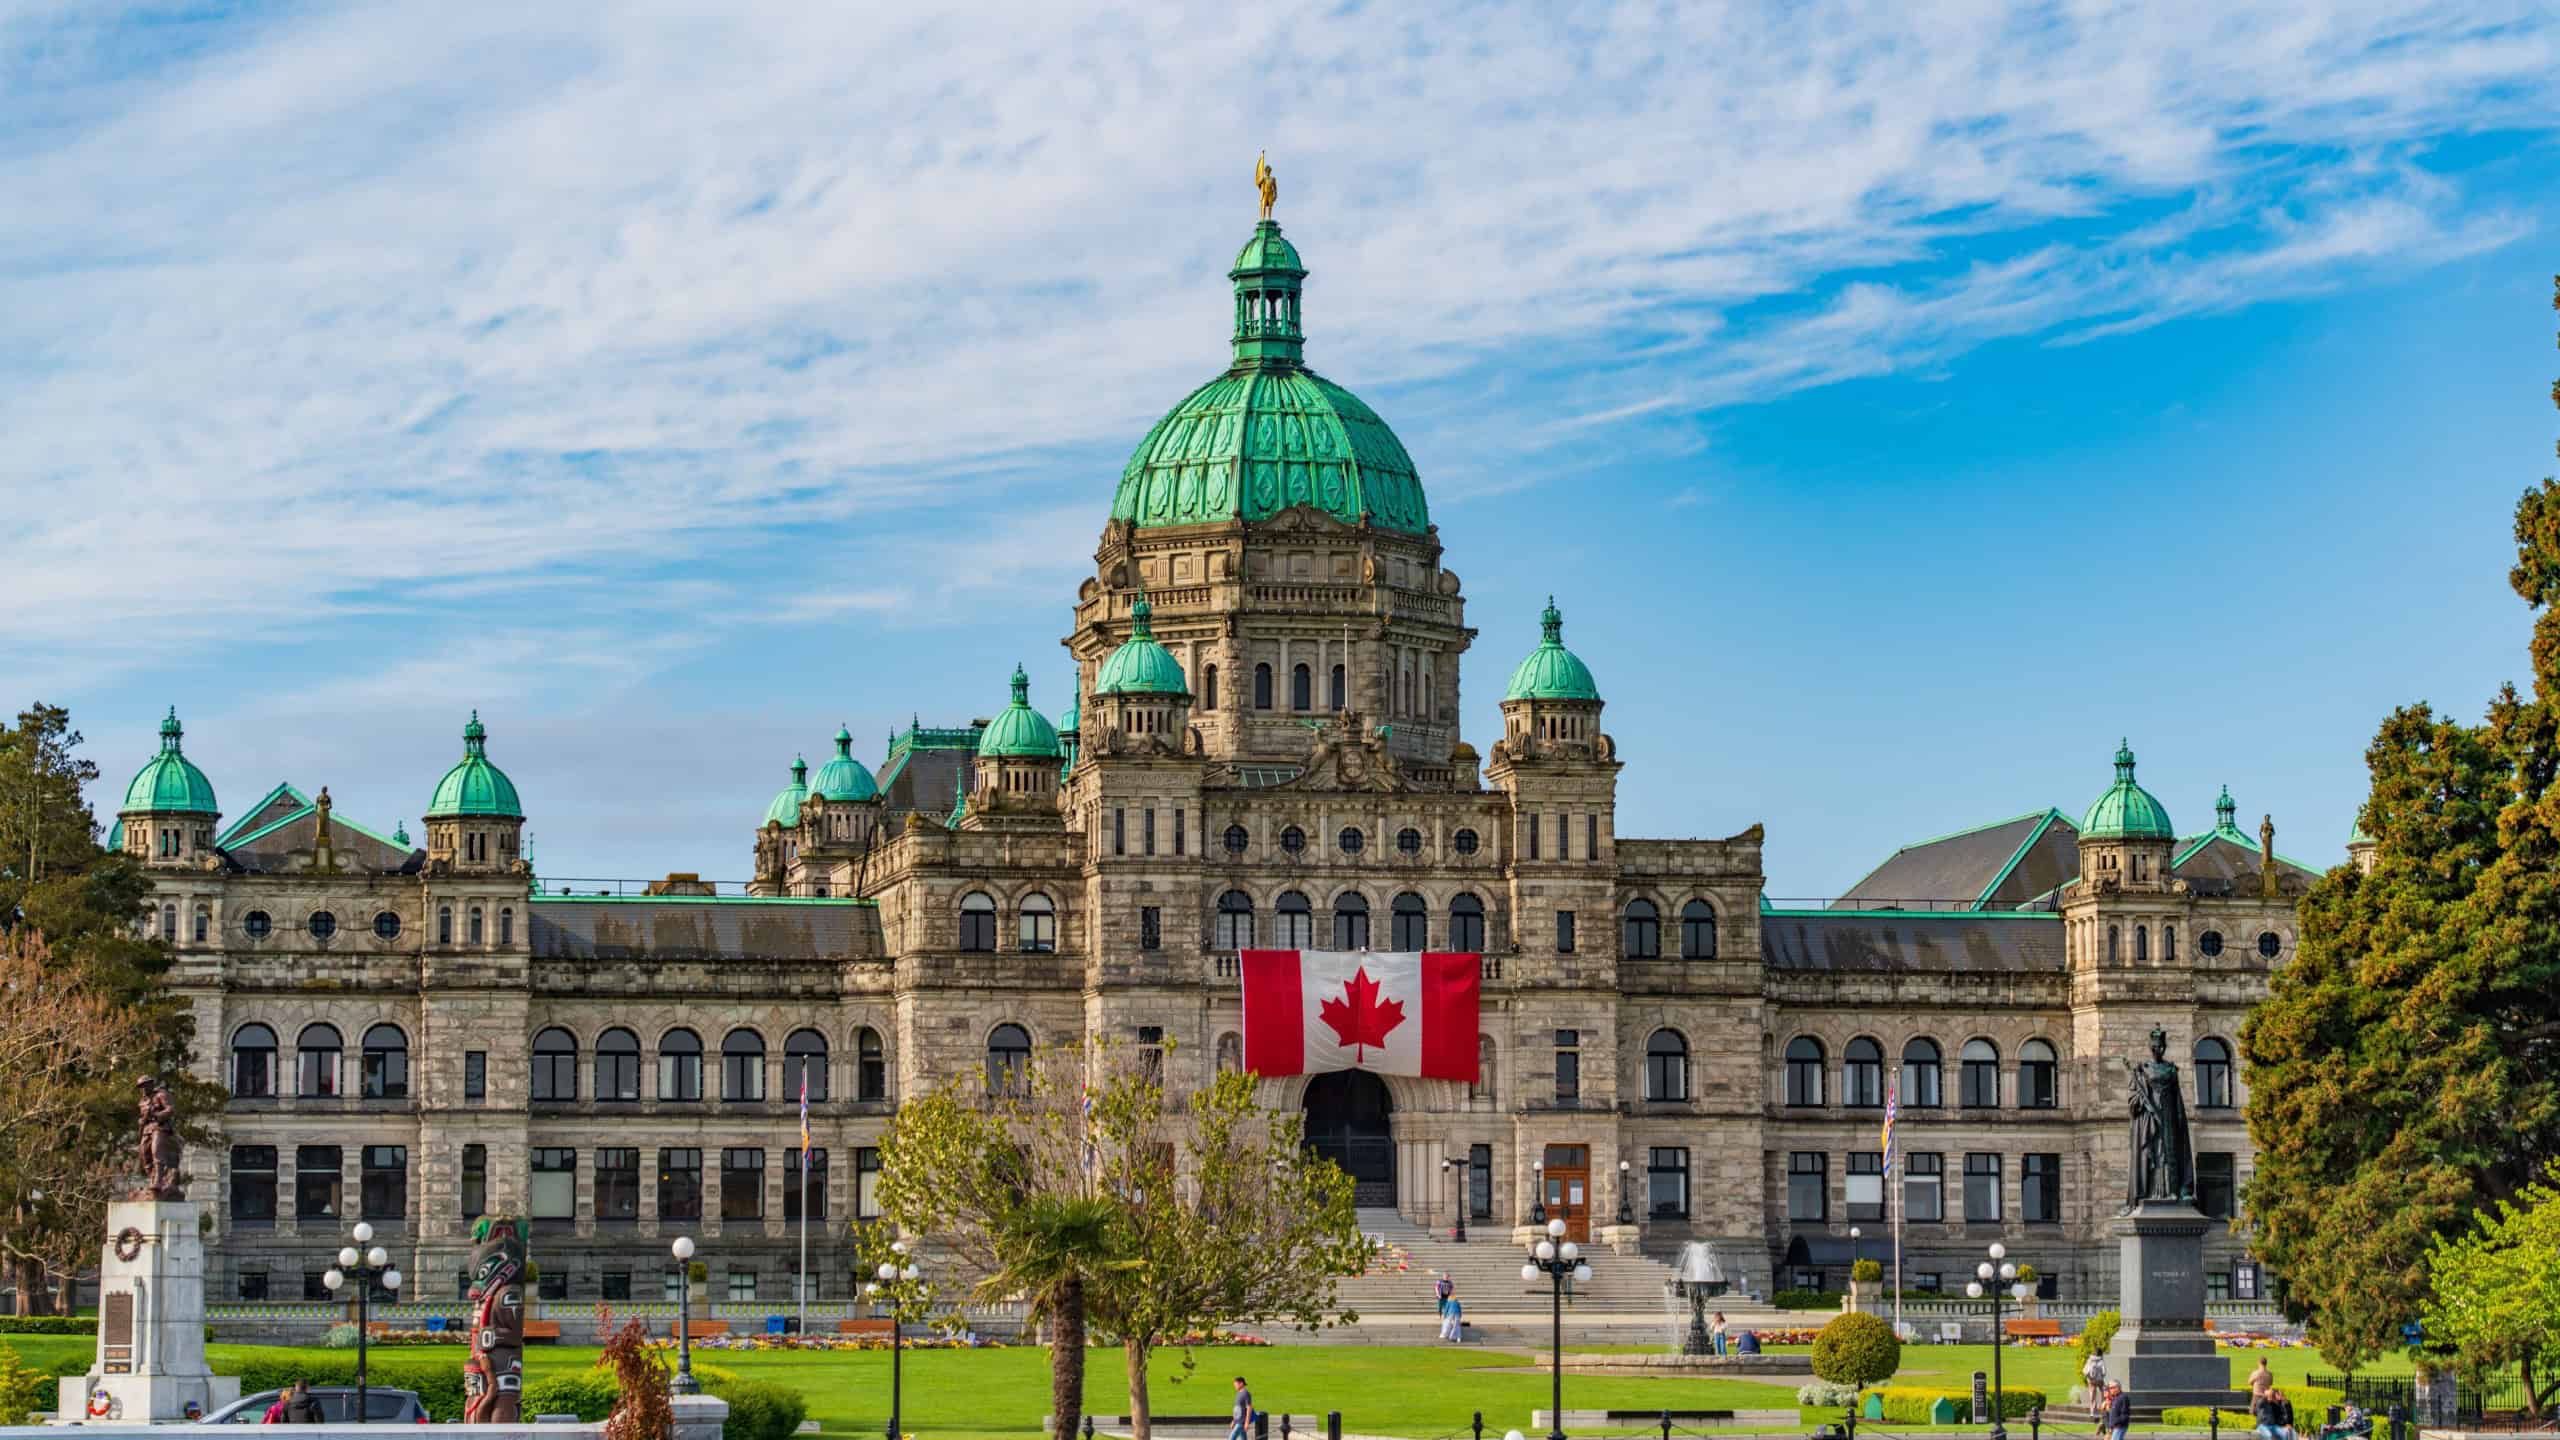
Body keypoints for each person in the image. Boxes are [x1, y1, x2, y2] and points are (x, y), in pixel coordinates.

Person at [1228, 1375, 1254, 1440]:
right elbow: (1237, 1409)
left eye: (1236, 1384)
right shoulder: (1238, 1393)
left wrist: (1246, 1422)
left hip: (1241, 1422)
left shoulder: (1246, 1394)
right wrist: (1234, 1421)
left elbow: (1249, 1408)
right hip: (1238, 1421)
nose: (1235, 1386)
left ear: (1241, 1383)